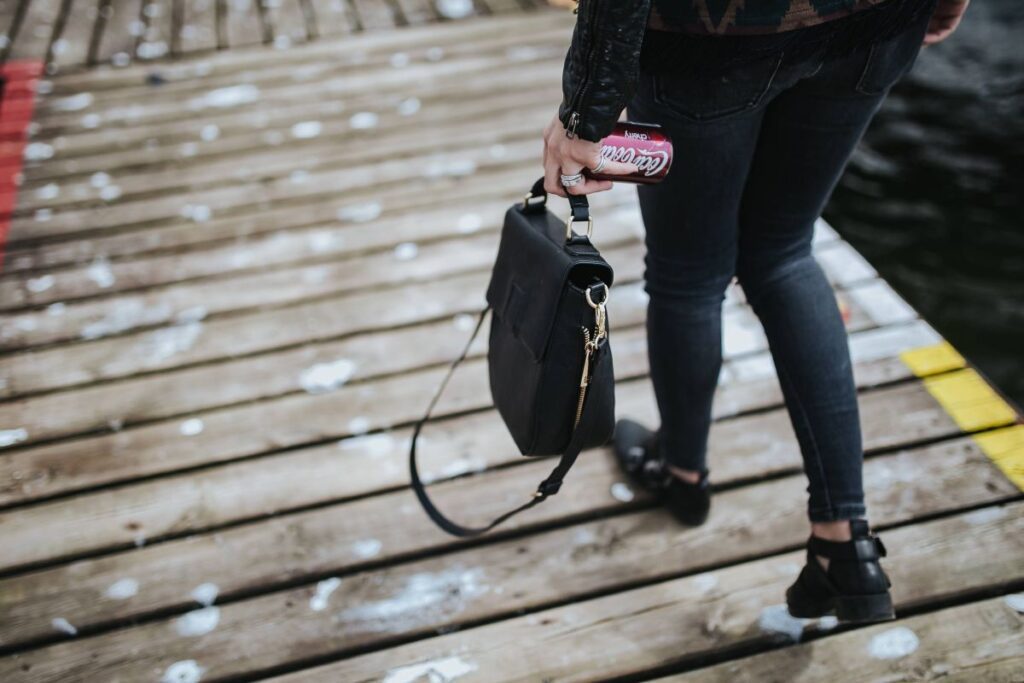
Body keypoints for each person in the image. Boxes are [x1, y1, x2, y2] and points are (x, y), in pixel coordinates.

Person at [541, 0, 970, 625]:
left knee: (689, 274)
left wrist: (584, 111)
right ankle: (844, 540)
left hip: (716, 40)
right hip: (876, 19)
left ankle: (682, 474)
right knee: (784, 252)